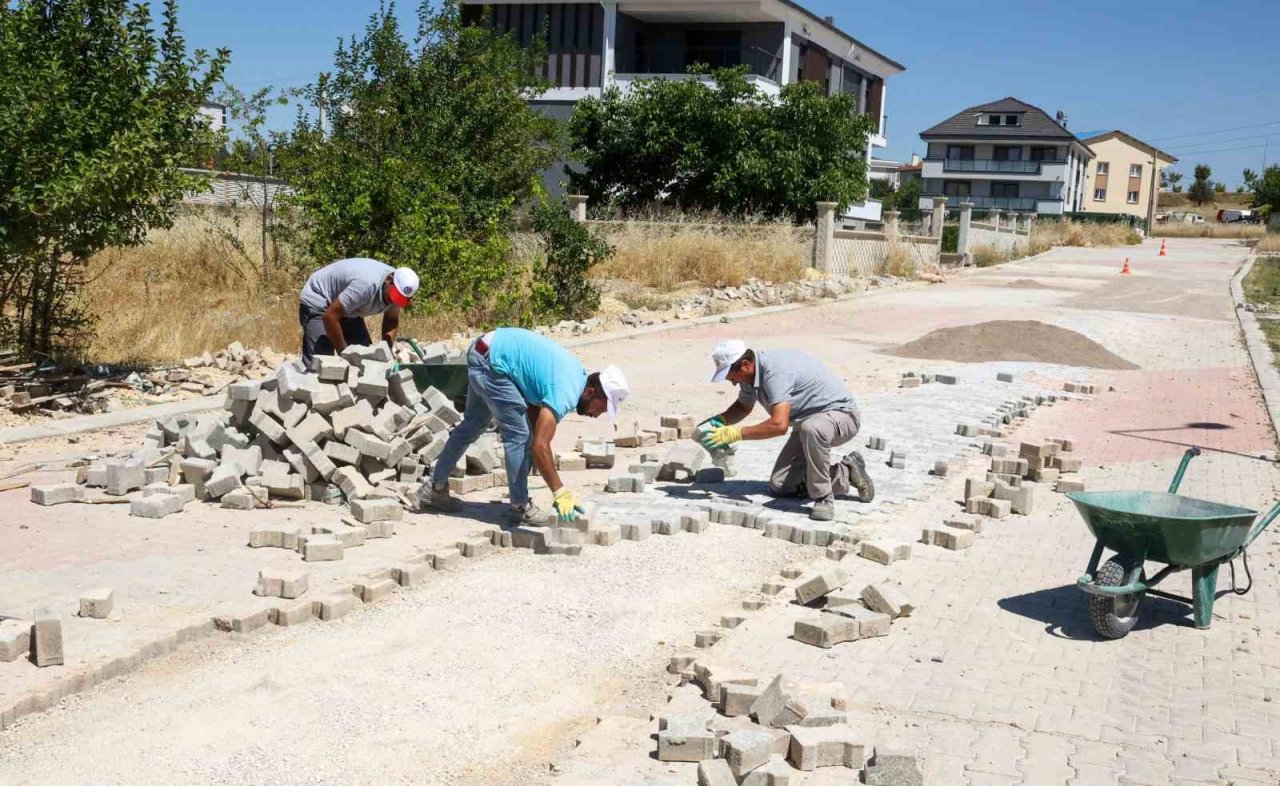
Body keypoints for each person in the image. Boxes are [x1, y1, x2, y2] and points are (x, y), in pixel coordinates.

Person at [419, 327, 630, 524]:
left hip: (484, 351)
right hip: (493, 364)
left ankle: (435, 489)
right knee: (518, 436)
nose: (598, 414)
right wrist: (559, 491)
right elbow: (540, 445)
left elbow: (532, 401)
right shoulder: (565, 392)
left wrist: (536, 448)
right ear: (591, 392)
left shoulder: (575, 376)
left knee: (473, 425)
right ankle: (520, 506)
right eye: (602, 407)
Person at [701, 340, 873, 521]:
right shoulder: (750, 375)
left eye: (732, 377)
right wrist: (718, 421)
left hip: (841, 416)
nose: (733, 383)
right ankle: (847, 472)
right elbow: (743, 407)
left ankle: (823, 498)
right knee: (781, 484)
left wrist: (734, 433)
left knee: (811, 428)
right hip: (808, 424)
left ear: (746, 364)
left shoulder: (775, 372)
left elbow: (779, 425)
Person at [298, 257, 420, 364]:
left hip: (347, 307)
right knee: (320, 362)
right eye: (394, 296)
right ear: (389, 280)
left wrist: (386, 352)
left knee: (364, 359)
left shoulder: (398, 290)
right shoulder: (364, 286)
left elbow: (391, 318)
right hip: (320, 299)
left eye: (400, 300)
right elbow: (330, 317)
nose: (394, 301)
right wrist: (345, 354)